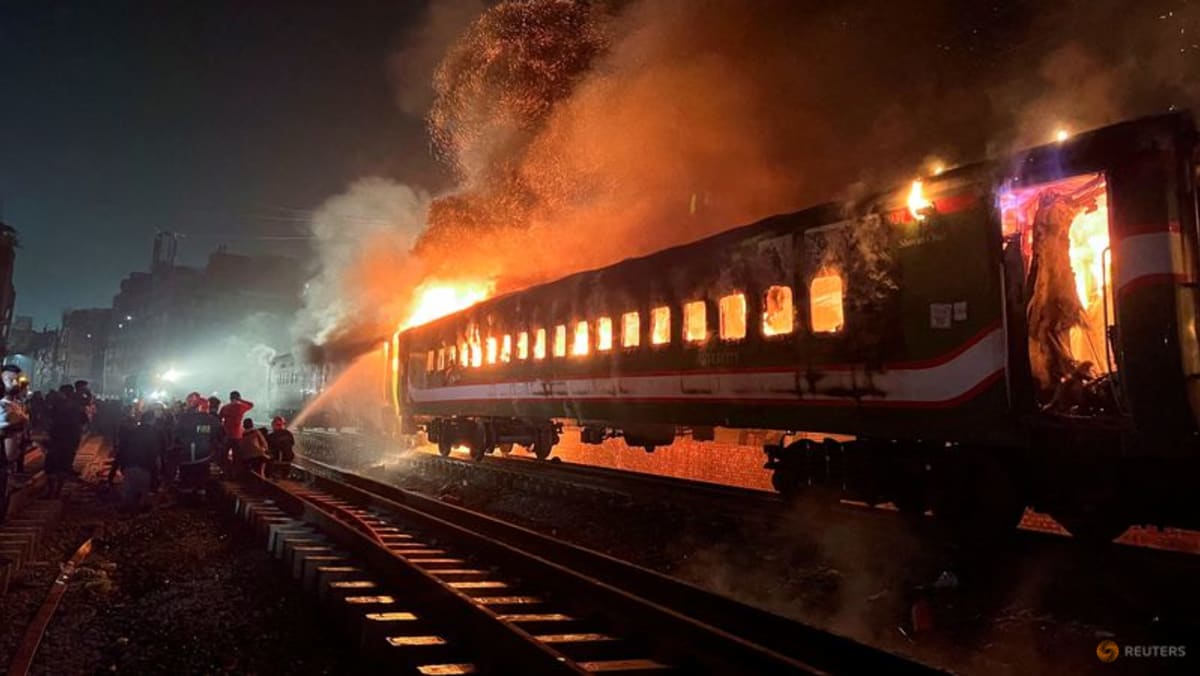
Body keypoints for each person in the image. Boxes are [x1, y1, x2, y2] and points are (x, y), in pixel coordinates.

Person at [112, 409, 166, 512]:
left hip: (129, 467)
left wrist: (115, 470)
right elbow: (157, 454)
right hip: (145, 468)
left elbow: (122, 451)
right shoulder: (155, 433)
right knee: (143, 497)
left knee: (128, 495)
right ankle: (139, 510)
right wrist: (158, 473)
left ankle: (127, 512)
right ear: (152, 420)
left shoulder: (132, 432)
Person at [174, 392, 222, 493]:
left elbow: (176, 435)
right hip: (203, 457)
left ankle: (186, 499)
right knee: (201, 482)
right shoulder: (212, 420)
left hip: (185, 456)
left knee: (186, 482)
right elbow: (218, 436)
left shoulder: (183, 418)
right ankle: (199, 498)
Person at [45, 384, 87, 498]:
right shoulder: (77, 406)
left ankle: (51, 492)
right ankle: (57, 492)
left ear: (63, 393)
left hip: (57, 438)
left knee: (51, 466)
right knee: (64, 465)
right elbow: (84, 420)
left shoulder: (57, 405)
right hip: (71, 439)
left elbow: (49, 418)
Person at [0, 365, 30, 521]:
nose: (15, 383)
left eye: (17, 379)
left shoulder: (15, 405)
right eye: (10, 379)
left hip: (7, 464)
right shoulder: (2, 405)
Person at [218, 391, 253, 471]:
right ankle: (235, 473)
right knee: (236, 456)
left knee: (224, 454)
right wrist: (241, 400)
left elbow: (219, 419)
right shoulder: (241, 407)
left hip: (227, 435)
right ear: (238, 398)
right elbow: (251, 405)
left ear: (230, 398)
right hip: (238, 435)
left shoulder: (225, 407)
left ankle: (225, 471)